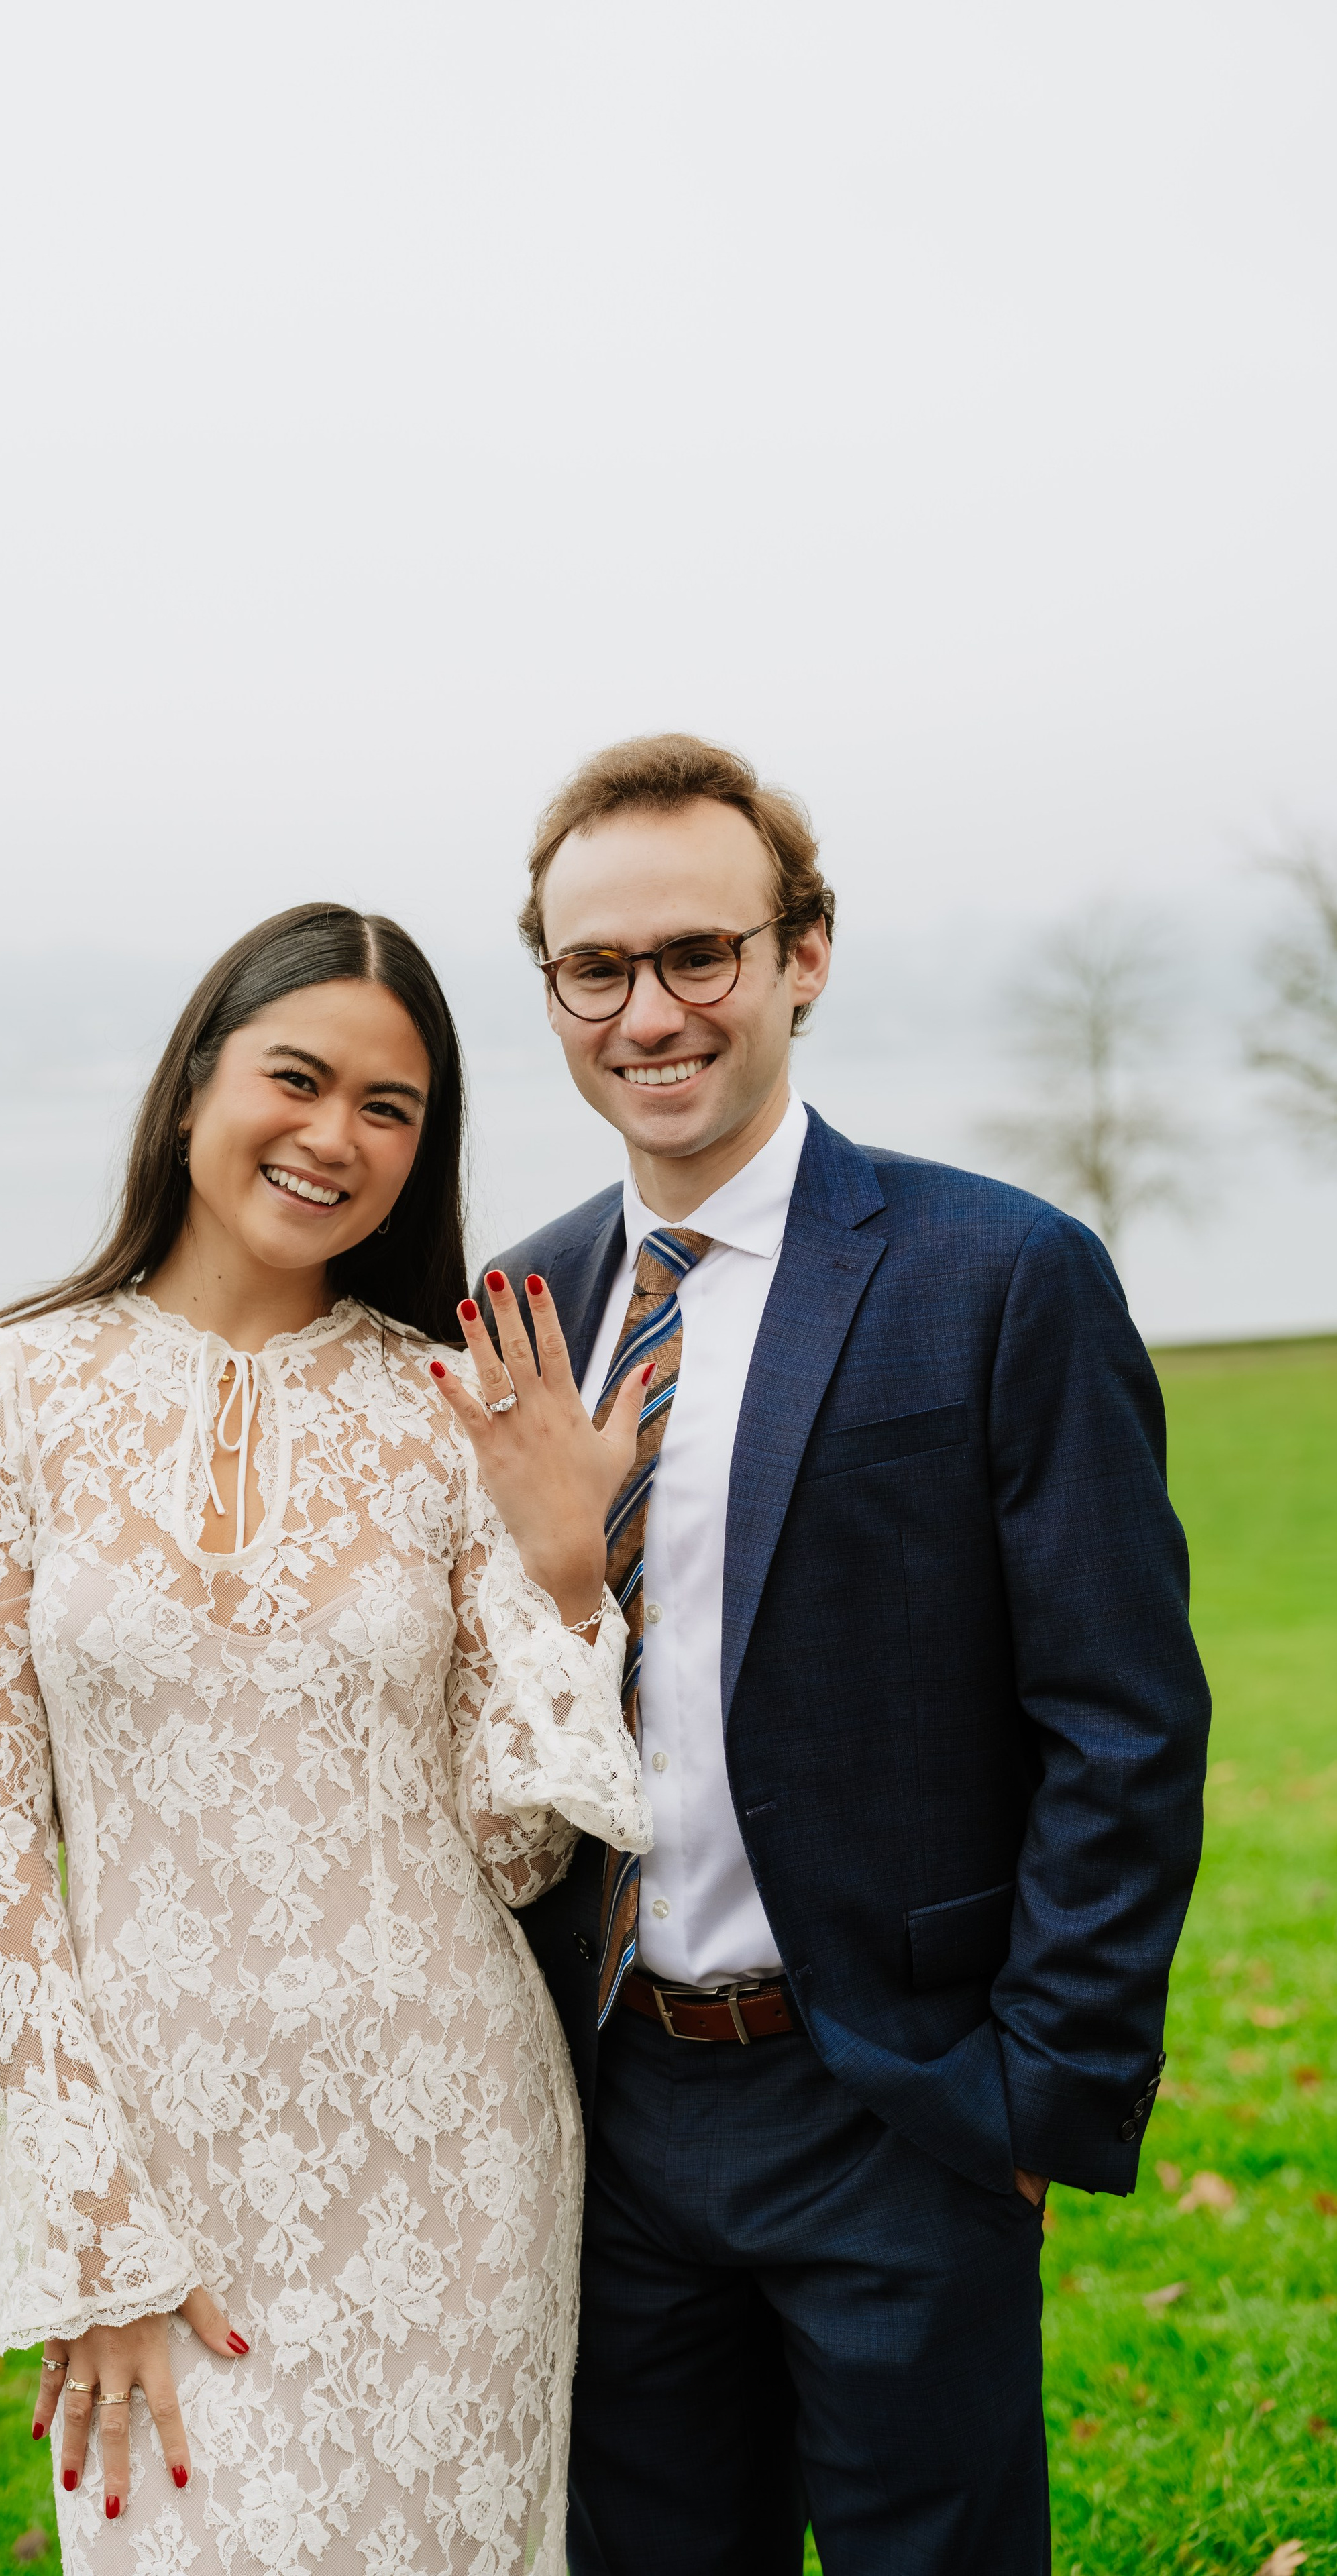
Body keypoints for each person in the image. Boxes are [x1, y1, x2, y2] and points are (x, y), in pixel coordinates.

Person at [478, 734, 1210, 2574]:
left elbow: (1123, 1723)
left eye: (699, 956)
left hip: (894, 2107)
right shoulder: (516, 1310)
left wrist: (1034, 2098)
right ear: (555, 990)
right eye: (598, 971)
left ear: (804, 955)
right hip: (608, 2113)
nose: (649, 1012)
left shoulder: (1002, 1276)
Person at [0, 902, 657, 2575]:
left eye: (388, 1110)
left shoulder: (445, 1404)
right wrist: (91, 2237)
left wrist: (556, 1575)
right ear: (194, 1086)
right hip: (164, 2165)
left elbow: (520, 1847)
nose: (334, 1137)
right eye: (296, 1078)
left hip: (452, 2157)